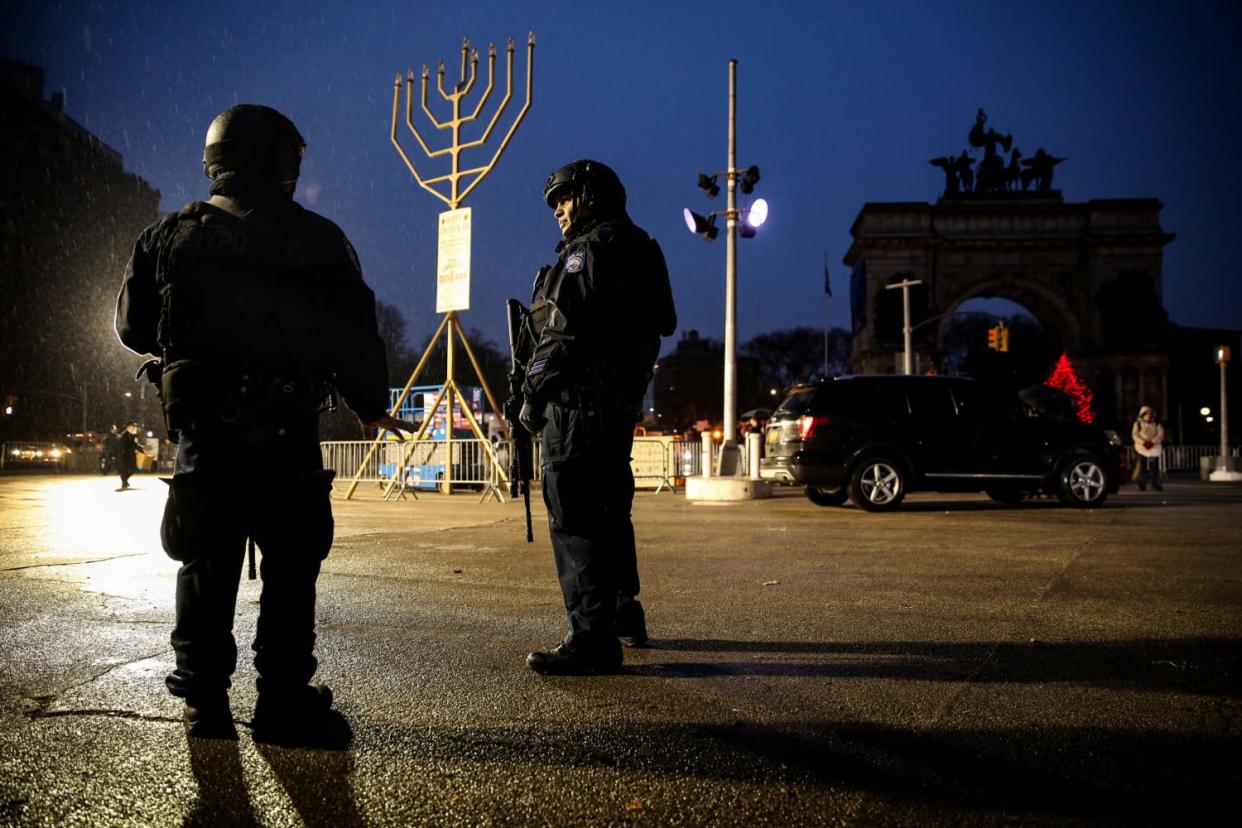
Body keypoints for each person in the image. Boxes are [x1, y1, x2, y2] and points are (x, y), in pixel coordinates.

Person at [116, 103, 407, 744]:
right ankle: (280, 699)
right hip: (284, 432)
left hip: (206, 435)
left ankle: (203, 701)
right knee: (292, 566)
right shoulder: (318, 239)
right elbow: (356, 335)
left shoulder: (168, 235)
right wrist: (368, 401)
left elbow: (133, 329)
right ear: (276, 161)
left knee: (204, 561)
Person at [516, 159, 677, 675]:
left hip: (576, 410)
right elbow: (663, 322)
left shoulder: (585, 254)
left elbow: (560, 336)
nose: (559, 211)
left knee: (576, 519)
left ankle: (591, 637)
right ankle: (623, 611)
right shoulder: (643, 250)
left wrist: (532, 395)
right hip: (616, 412)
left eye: (565, 199)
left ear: (591, 195)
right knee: (611, 514)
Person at [1131, 405, 1165, 492]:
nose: (1148, 415)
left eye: (1150, 413)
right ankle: (1141, 484)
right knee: (1142, 468)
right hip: (1142, 448)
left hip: (1154, 448)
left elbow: (1160, 434)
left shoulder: (1156, 423)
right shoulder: (1137, 424)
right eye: (1146, 413)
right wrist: (1144, 442)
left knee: (1154, 468)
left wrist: (1153, 442)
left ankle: (1154, 484)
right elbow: (1135, 435)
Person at [116, 422, 139, 489]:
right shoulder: (125, 435)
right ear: (129, 427)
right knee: (126, 469)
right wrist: (133, 448)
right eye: (133, 427)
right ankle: (124, 482)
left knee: (132, 469)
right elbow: (124, 446)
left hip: (130, 455)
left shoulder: (131, 435)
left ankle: (125, 481)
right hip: (125, 455)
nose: (135, 428)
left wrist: (140, 447)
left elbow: (134, 444)